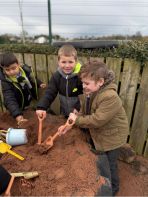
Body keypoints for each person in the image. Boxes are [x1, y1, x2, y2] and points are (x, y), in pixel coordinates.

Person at [58, 60, 129, 196]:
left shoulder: (110, 97)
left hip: (113, 137)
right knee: (101, 160)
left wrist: (77, 119)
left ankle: (113, 190)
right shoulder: (90, 92)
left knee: (110, 165)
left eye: (87, 83)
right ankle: (102, 179)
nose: (83, 86)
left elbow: (97, 120)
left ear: (100, 82)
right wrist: (69, 124)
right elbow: (84, 112)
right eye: (83, 83)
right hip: (101, 134)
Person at [36, 44, 83, 119]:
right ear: (58, 62)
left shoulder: (81, 76)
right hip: (64, 113)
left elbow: (86, 95)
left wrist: (78, 108)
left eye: (70, 62)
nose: (67, 66)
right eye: (63, 62)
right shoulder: (57, 76)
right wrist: (42, 107)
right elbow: (50, 92)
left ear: (76, 61)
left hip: (79, 113)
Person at [0, 52, 46, 125]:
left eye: (13, 68)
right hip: (17, 107)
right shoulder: (6, 82)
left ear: (18, 64)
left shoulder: (25, 71)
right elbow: (9, 99)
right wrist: (17, 115)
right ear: (3, 69)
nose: (11, 72)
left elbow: (32, 79)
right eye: (7, 70)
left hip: (28, 101)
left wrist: (39, 84)